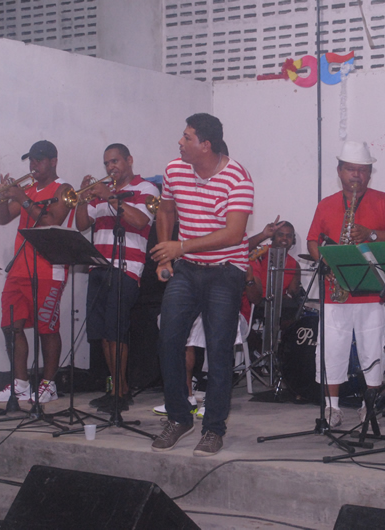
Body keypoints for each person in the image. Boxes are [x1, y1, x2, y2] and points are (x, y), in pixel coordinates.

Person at [150, 113, 254, 456]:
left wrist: (180, 247)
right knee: (169, 339)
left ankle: (213, 429)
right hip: (188, 268)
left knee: (219, 349)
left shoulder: (237, 177)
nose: (180, 142)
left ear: (205, 145)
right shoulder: (174, 170)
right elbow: (165, 211)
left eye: (187, 137)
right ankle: (179, 418)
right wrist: (165, 257)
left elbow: (233, 234)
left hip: (226, 270)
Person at [306, 140, 385, 427]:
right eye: (351, 169)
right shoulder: (326, 204)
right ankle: (332, 408)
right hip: (335, 291)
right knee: (331, 349)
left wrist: (372, 234)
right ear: (339, 171)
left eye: (362, 170)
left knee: (373, 349)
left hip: (372, 291)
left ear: (370, 173)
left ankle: (369, 406)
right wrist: (324, 262)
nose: (356, 175)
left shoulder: (384, 200)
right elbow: (312, 240)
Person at [75, 144, 159, 413]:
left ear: (129, 160)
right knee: (103, 332)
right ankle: (114, 389)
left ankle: (122, 392)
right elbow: (81, 224)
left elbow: (140, 221)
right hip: (98, 267)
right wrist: (81, 200)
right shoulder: (101, 193)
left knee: (116, 330)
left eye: (115, 161)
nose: (110, 167)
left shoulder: (145, 188)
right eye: (106, 163)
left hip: (126, 268)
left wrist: (111, 197)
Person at [0, 140, 74, 404]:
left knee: (46, 328)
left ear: (54, 161)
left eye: (39, 160)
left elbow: (51, 220)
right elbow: (2, 219)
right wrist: (4, 198)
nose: (33, 165)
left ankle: (49, 385)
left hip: (49, 268)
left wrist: (23, 198)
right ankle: (20, 384)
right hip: (19, 267)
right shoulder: (27, 190)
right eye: (31, 160)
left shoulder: (64, 189)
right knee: (11, 325)